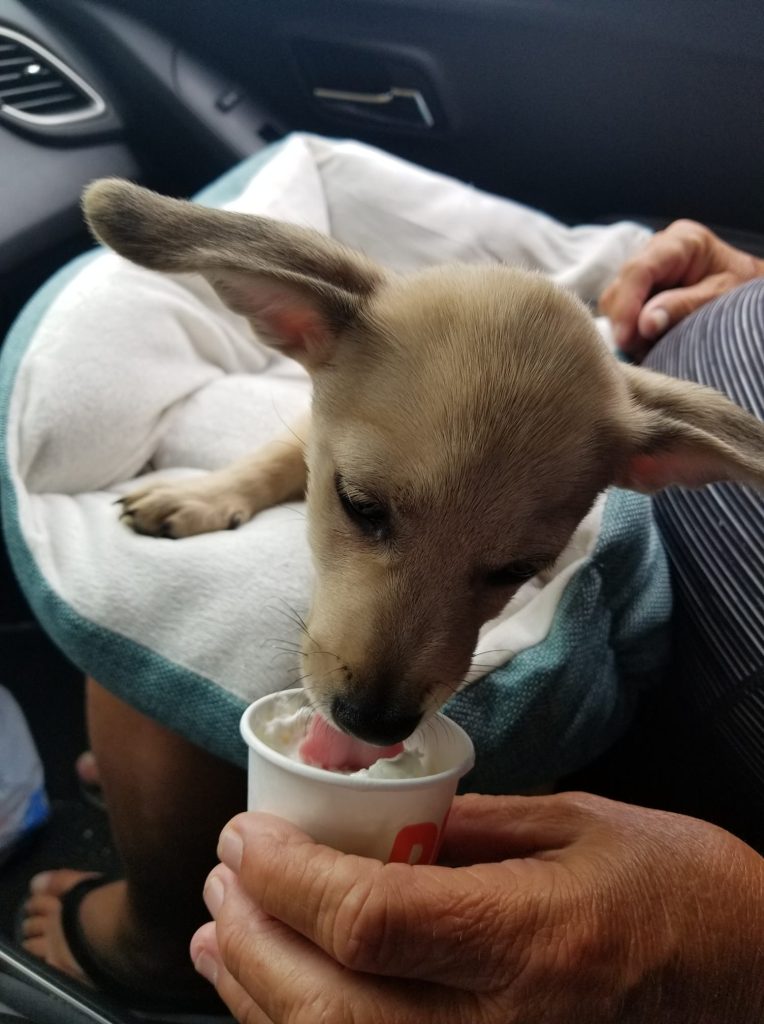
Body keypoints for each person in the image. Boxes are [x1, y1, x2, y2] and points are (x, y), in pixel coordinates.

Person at [189, 220, 764, 1022]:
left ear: (651, 464)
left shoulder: (609, 443)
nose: (390, 682)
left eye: (506, 570)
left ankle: (140, 942)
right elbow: (351, 441)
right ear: (296, 320)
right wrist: (234, 490)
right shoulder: (380, 363)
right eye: (368, 510)